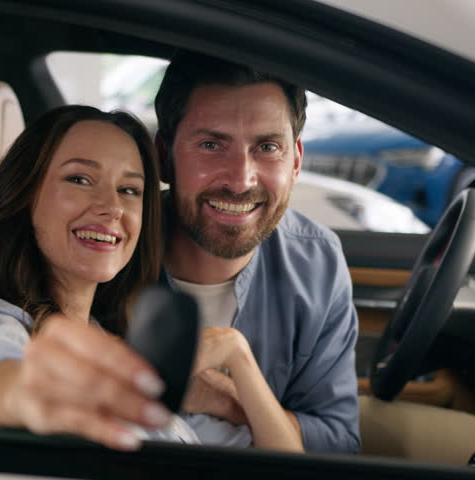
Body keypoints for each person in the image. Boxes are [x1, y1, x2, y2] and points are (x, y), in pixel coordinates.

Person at [0, 105, 305, 452]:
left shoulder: (117, 351)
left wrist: (237, 356)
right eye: (79, 179)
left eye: (129, 190)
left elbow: (284, 465)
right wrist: (28, 394)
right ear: (24, 197)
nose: (111, 208)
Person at [153, 51, 359, 454]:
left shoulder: (317, 264)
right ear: (164, 156)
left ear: (296, 160)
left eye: (266, 147)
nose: (241, 180)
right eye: (211, 144)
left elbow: (337, 446)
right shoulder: (109, 244)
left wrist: (229, 398)